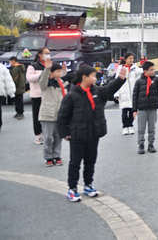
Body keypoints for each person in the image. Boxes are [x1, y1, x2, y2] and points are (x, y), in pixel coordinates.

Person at [57, 64, 127, 202]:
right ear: (84, 77)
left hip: (93, 134)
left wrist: (120, 79)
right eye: (93, 76)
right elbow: (62, 116)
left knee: (90, 161)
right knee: (75, 163)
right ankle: (72, 188)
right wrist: (64, 133)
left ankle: (88, 185)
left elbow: (110, 89)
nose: (96, 78)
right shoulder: (72, 95)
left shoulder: (98, 92)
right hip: (77, 135)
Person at [132, 61, 158, 154]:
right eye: (151, 70)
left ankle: (151, 144)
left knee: (152, 127)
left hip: (152, 108)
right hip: (142, 108)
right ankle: (141, 145)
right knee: (141, 128)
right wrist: (134, 110)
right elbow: (135, 96)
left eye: (153, 69)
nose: (153, 71)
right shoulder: (139, 82)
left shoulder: (155, 80)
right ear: (145, 70)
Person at [38, 59, 71, 166]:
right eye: (57, 71)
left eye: (60, 72)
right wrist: (47, 69)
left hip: (59, 115)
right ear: (51, 73)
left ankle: (57, 155)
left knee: (58, 137)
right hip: (47, 114)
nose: (59, 73)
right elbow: (43, 80)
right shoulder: (46, 84)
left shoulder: (61, 83)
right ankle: (48, 157)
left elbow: (65, 80)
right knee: (48, 138)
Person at [26, 47, 49, 144]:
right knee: (37, 116)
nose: (48, 55)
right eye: (46, 53)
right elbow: (29, 78)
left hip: (48, 94)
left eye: (49, 53)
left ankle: (46, 133)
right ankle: (38, 135)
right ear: (40, 54)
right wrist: (42, 75)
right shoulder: (33, 66)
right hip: (37, 94)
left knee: (47, 116)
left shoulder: (49, 65)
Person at [114, 52, 141, 135]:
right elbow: (116, 82)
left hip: (133, 93)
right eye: (129, 58)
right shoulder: (120, 69)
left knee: (132, 111)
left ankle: (130, 126)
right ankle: (125, 127)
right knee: (124, 112)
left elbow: (139, 77)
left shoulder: (135, 68)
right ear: (125, 59)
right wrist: (116, 94)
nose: (131, 60)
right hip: (124, 93)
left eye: (132, 58)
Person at [0, 63, 16, 131]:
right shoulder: (2, 67)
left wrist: (11, 92)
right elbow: (8, 80)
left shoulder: (2, 67)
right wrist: (11, 92)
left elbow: (8, 80)